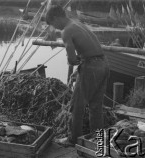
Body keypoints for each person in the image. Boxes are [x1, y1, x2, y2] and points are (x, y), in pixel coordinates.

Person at [45, 5, 109, 146]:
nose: (55, 28)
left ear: (56, 18)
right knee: (96, 106)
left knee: (77, 105)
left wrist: (74, 63)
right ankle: (97, 139)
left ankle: (73, 139)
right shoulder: (78, 24)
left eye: (53, 24)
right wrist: (80, 68)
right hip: (104, 64)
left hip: (91, 67)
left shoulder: (66, 31)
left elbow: (72, 59)